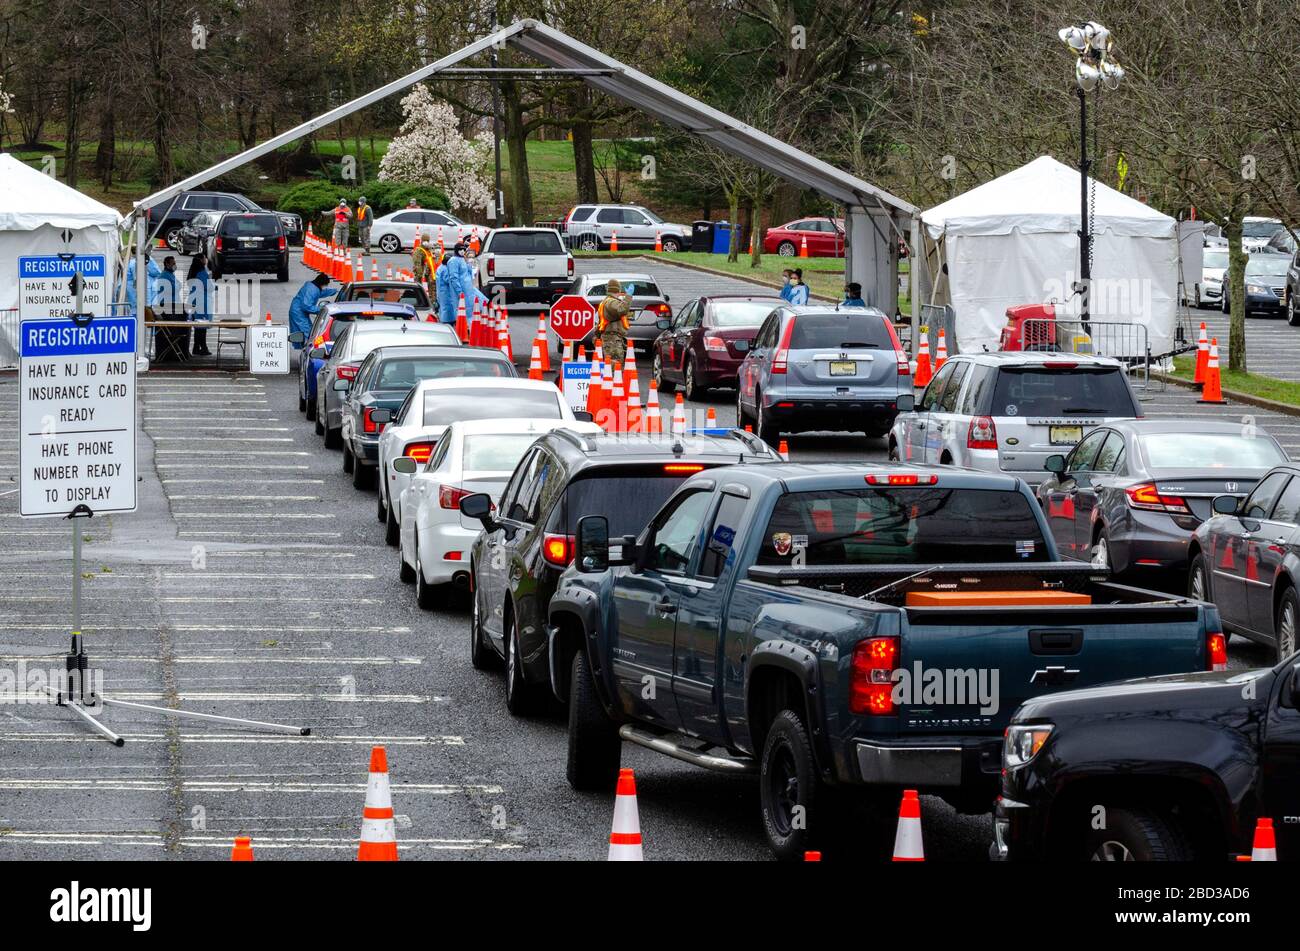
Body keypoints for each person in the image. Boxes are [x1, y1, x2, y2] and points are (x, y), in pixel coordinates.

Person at [440, 241, 486, 325]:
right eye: (460, 249)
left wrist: (469, 262)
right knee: (461, 311)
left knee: (470, 310)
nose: (462, 251)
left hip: (468, 290)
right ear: (456, 250)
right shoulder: (453, 261)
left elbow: (469, 272)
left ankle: (469, 327)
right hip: (460, 291)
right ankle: (462, 329)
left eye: (463, 249)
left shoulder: (462, 259)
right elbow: (454, 278)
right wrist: (459, 291)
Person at [288, 273, 338, 347]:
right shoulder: (311, 290)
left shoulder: (313, 287)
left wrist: (334, 291)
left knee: (308, 333)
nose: (325, 287)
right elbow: (306, 306)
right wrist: (321, 310)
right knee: (308, 333)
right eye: (326, 285)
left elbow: (321, 292)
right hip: (298, 313)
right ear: (322, 283)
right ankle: (309, 350)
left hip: (299, 311)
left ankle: (308, 348)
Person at [597, 278, 631, 363]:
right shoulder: (611, 302)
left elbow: (600, 323)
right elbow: (622, 309)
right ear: (617, 290)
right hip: (612, 340)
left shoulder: (606, 301)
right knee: (615, 365)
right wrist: (628, 296)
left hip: (610, 339)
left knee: (612, 364)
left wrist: (597, 336)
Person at [186, 253, 214, 356]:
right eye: (204, 258)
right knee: (202, 326)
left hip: (194, 301)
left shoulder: (193, 272)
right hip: (202, 303)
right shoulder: (202, 273)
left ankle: (197, 347)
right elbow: (209, 287)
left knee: (198, 326)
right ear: (201, 261)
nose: (206, 259)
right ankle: (201, 347)